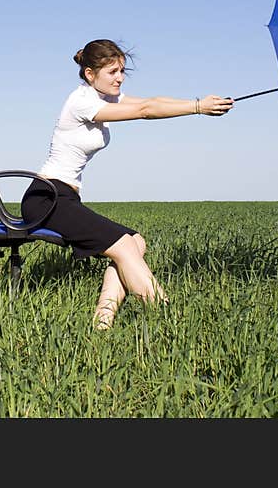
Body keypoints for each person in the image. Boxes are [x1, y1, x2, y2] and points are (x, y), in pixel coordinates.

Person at [20, 39, 234, 330]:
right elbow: (145, 110)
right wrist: (197, 107)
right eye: (112, 72)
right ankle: (165, 317)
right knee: (123, 245)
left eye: (122, 70)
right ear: (89, 74)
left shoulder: (105, 98)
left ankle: (102, 320)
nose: (119, 77)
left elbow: (153, 101)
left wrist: (202, 103)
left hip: (64, 198)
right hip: (46, 198)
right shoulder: (82, 101)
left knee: (135, 242)